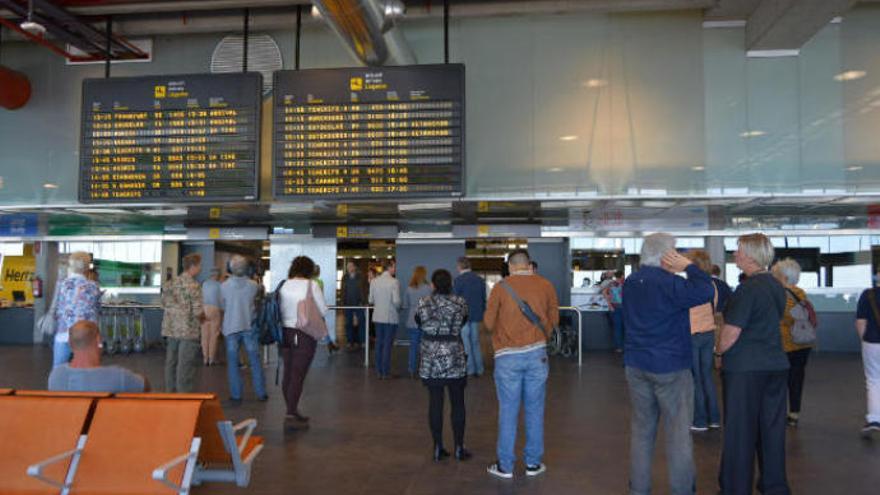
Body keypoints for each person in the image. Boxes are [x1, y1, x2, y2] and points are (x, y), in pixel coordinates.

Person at [623, 234, 712, 495]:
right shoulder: (670, 283)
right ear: (668, 256)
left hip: (636, 364)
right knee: (678, 435)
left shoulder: (630, 282)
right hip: (670, 366)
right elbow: (706, 291)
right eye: (675, 252)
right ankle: (682, 489)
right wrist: (689, 267)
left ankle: (638, 489)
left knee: (641, 432)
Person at [717, 233, 790, 495]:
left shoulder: (747, 289)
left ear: (749, 255)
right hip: (775, 364)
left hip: (746, 368)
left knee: (740, 430)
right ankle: (774, 485)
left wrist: (717, 352)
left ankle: (735, 487)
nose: (735, 254)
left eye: (737, 250)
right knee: (771, 428)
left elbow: (731, 333)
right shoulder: (776, 286)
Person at [484, 250, 558, 479]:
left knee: (508, 411)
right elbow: (554, 320)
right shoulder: (546, 285)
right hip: (537, 355)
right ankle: (533, 464)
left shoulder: (500, 287)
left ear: (510, 267)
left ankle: (505, 466)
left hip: (507, 356)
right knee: (535, 410)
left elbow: (487, 324)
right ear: (528, 265)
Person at [415, 269, 471, 461]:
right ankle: (459, 448)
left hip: (431, 356)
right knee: (458, 403)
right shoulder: (460, 302)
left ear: (433, 285)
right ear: (451, 284)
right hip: (454, 353)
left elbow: (419, 323)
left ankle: (438, 447)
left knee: (435, 402)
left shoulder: (423, 303)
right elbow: (463, 322)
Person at [279, 255, 327, 430]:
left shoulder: (283, 284)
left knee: (288, 373)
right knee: (298, 375)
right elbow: (323, 309)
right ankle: (291, 413)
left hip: (284, 333)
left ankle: (292, 409)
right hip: (303, 334)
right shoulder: (311, 285)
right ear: (309, 269)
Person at [48, 320, 149, 393]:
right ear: (98, 341)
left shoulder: (56, 376)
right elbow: (144, 386)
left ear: (70, 343)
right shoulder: (118, 377)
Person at [771, 258, 814, 428]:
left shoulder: (781, 295)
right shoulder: (801, 293)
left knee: (779, 380)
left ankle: (778, 412)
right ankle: (794, 412)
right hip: (803, 343)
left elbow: (782, 317)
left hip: (785, 343)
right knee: (797, 379)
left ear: (783, 276)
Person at [220, 255, 267, 403]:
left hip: (231, 327)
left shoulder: (224, 286)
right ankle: (261, 393)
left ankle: (236, 395)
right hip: (249, 326)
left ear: (230, 268)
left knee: (233, 362)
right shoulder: (254, 285)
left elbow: (222, 306)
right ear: (246, 268)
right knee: (254, 360)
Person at [686, 250, 721, 433]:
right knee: (707, 377)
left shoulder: (690, 286)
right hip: (708, 334)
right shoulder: (712, 285)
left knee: (695, 378)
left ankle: (699, 420)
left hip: (692, 335)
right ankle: (714, 418)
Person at [161, 253, 205, 393]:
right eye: (199, 265)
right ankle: (184, 396)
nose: (200, 268)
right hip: (188, 331)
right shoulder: (193, 285)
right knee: (185, 365)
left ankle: (170, 393)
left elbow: (163, 303)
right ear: (193, 266)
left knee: (171, 363)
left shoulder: (170, 283)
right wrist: (204, 318)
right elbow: (198, 311)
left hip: (171, 329)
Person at [51, 251, 101, 368]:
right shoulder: (93, 286)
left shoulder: (62, 284)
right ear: (87, 267)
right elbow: (97, 309)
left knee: (58, 368)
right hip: (86, 335)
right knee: (88, 369)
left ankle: (57, 386)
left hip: (64, 333)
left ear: (71, 266)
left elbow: (58, 307)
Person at [854, 269, 880, 438]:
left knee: (874, 380)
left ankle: (875, 420)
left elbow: (861, 322)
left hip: (873, 341)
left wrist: (865, 339)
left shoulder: (868, 295)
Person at [453, 257, 487, 377]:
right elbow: (484, 299)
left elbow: (455, 300)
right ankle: (480, 368)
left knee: (465, 342)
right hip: (477, 315)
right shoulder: (480, 280)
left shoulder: (458, 280)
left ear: (460, 266)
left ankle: (470, 369)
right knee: (476, 342)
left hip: (463, 316)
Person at [369, 258, 400, 379]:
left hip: (377, 316)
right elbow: (396, 301)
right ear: (390, 267)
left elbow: (370, 300)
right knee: (387, 344)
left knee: (379, 344)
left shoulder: (374, 281)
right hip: (390, 317)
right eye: (394, 266)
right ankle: (385, 372)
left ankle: (378, 371)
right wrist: (399, 307)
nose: (395, 269)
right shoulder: (394, 282)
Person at [405, 266, 432, 378]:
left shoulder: (409, 288)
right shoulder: (428, 288)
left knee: (413, 346)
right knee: (425, 346)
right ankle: (425, 369)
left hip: (412, 319)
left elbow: (405, 305)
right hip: (425, 319)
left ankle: (412, 369)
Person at [342, 261, 366, 351]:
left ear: (355, 267)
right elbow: (343, 291)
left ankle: (362, 341)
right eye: (348, 266)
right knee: (348, 323)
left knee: (361, 323)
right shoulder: (345, 277)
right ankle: (349, 341)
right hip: (348, 304)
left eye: (351, 266)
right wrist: (342, 303)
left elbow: (364, 290)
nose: (349, 268)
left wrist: (364, 302)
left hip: (359, 303)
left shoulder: (361, 277)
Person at [201, 268, 222, 366]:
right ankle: (211, 358)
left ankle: (205, 358)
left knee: (205, 335)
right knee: (214, 335)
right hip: (214, 309)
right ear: (217, 275)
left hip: (204, 309)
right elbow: (222, 300)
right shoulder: (219, 285)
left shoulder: (204, 284)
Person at [603, 270, 626, 352]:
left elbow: (604, 292)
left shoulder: (611, 284)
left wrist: (609, 305)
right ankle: (622, 346)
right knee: (622, 327)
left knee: (618, 328)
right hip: (622, 307)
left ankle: (619, 347)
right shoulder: (624, 284)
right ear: (622, 276)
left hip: (615, 307)